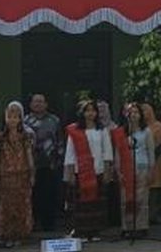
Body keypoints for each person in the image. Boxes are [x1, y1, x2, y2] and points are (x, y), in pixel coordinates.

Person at [63, 99, 113, 242]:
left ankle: (94, 231)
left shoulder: (102, 129)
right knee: (81, 204)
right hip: (81, 172)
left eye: (93, 110)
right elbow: (70, 153)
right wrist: (71, 173)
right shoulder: (75, 130)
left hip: (97, 171)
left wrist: (108, 170)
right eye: (87, 110)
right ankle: (81, 232)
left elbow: (107, 151)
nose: (90, 113)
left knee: (96, 203)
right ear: (82, 113)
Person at [0, 101, 36, 248]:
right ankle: (3, 235)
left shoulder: (26, 137)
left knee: (21, 206)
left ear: (20, 119)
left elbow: (29, 156)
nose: (12, 120)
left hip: (22, 176)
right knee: (5, 207)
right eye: (9, 116)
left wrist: (31, 174)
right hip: (6, 177)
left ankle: (19, 235)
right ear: (5, 117)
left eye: (15, 117)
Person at [111, 103, 153, 239]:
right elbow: (117, 152)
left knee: (141, 198)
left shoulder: (146, 131)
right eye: (131, 112)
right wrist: (118, 170)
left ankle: (141, 227)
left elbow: (150, 151)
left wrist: (151, 170)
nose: (133, 115)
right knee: (126, 199)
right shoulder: (120, 132)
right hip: (125, 168)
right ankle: (127, 227)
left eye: (136, 112)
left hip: (142, 166)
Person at [25, 93, 63, 233]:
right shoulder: (25, 121)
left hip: (50, 165)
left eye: (41, 101)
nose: (38, 104)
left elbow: (59, 142)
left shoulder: (54, 120)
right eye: (35, 102)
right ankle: (33, 225)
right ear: (30, 105)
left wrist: (58, 160)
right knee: (32, 196)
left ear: (46, 104)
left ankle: (49, 226)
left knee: (49, 197)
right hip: (31, 166)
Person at [139, 104, 161, 225]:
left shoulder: (158, 126)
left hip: (155, 162)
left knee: (155, 189)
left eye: (146, 111)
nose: (144, 113)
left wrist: (151, 155)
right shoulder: (137, 127)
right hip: (140, 162)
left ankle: (154, 214)